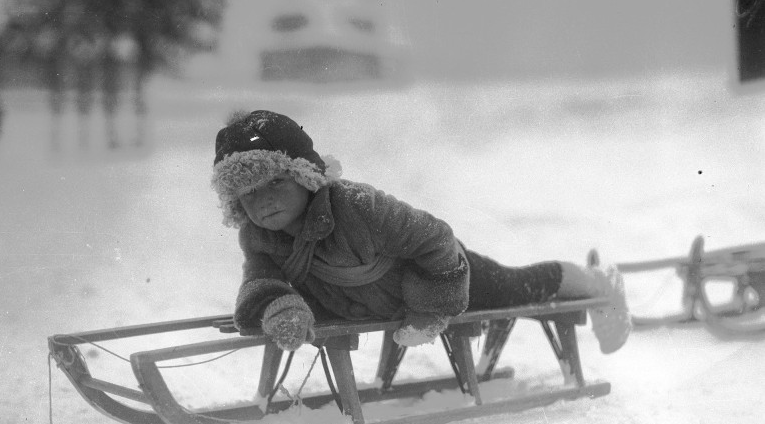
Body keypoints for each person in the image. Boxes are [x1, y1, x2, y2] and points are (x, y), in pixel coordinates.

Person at [211, 109, 631, 355]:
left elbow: (437, 240)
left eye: (274, 183)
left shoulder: (358, 208)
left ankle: (592, 282)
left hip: (446, 275)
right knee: (514, 284)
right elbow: (260, 278)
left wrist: (432, 311)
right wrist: (279, 308)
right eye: (246, 195)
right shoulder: (259, 235)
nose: (262, 202)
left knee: (515, 286)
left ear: (305, 176)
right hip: (371, 300)